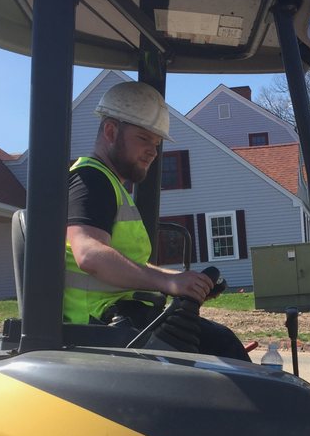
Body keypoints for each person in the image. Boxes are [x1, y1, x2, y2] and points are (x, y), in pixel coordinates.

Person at [64, 80, 250, 361]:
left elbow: (124, 262)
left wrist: (179, 279)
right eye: (143, 138)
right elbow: (89, 254)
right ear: (112, 131)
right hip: (101, 326)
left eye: (157, 142)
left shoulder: (109, 185)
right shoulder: (91, 181)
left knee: (219, 345)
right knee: (222, 348)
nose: (153, 150)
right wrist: (167, 282)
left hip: (121, 319)